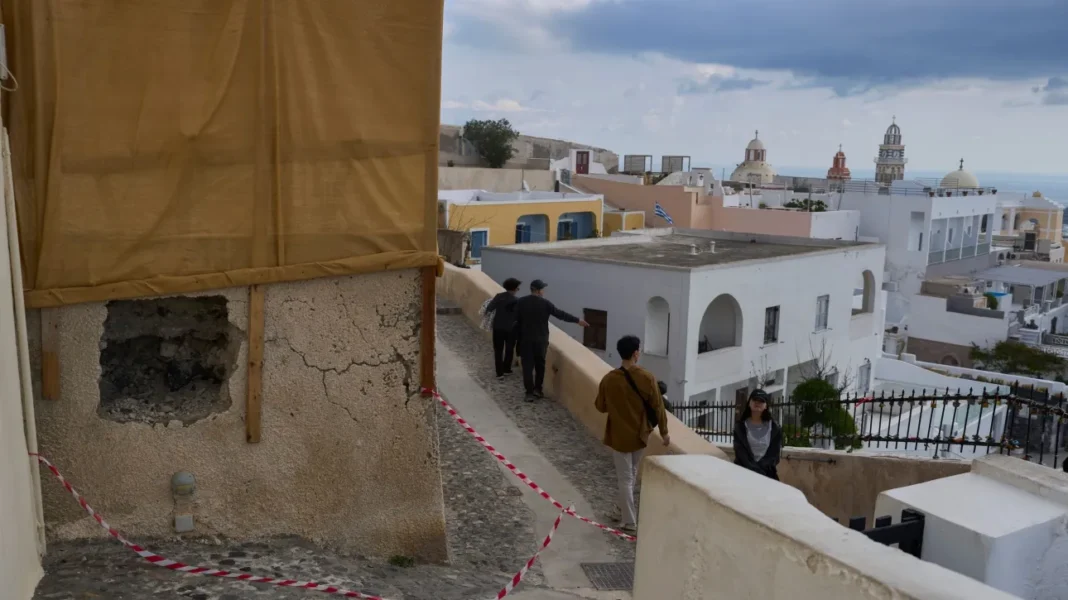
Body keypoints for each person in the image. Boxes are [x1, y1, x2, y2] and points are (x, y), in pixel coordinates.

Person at [594, 335, 670, 535]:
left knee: (625, 478)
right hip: (640, 434)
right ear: (636, 353)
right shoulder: (647, 377)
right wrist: (664, 432)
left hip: (619, 435)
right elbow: (659, 407)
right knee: (632, 475)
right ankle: (622, 511)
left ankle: (629, 521)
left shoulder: (609, 379)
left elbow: (600, 406)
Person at [514, 279, 588, 401]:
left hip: (525, 340)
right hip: (541, 340)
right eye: (543, 289)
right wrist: (577, 320)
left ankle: (529, 393)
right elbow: (561, 315)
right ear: (538, 291)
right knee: (540, 366)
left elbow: (515, 319)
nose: (544, 291)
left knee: (527, 367)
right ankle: (538, 390)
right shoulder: (545, 304)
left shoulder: (521, 302)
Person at [733, 389, 782, 480]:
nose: (757, 403)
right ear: (749, 403)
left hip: (767, 475)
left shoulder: (775, 428)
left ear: (766, 405)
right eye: (755, 400)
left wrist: (761, 470)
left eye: (761, 401)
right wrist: (753, 469)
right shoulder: (740, 427)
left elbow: (774, 455)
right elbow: (740, 453)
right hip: (743, 474)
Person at [485, 278, 522, 378]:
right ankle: (507, 369)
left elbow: (489, 309)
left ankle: (499, 373)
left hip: (498, 328)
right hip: (511, 329)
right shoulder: (517, 301)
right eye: (518, 288)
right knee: (509, 349)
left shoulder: (499, 296)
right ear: (514, 289)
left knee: (498, 350)